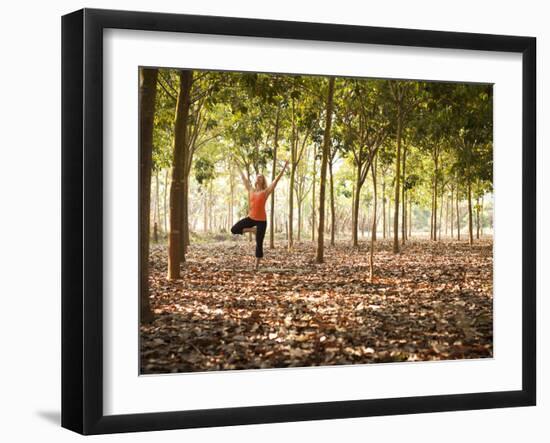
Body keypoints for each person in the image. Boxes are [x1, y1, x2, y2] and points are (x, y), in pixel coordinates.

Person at [231, 160, 289, 270]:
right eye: (257, 176)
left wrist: (284, 168)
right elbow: (244, 178)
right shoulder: (251, 190)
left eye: (261, 177)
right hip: (251, 218)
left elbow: (276, 181)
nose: (259, 178)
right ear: (256, 180)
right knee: (234, 229)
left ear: (263, 181)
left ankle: (256, 266)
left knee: (259, 243)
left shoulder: (265, 192)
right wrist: (237, 165)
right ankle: (252, 230)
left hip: (262, 220)